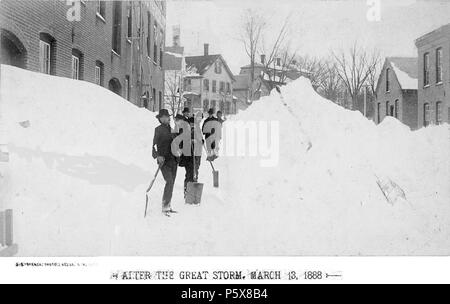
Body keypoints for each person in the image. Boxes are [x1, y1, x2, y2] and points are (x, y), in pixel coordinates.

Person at [152, 109, 178, 216]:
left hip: (173, 160)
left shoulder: (172, 130)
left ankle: (168, 204)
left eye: (166, 117)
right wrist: (157, 156)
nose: (164, 119)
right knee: (169, 181)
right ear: (160, 119)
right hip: (164, 161)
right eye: (162, 117)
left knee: (171, 183)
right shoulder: (158, 130)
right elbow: (153, 145)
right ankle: (165, 206)